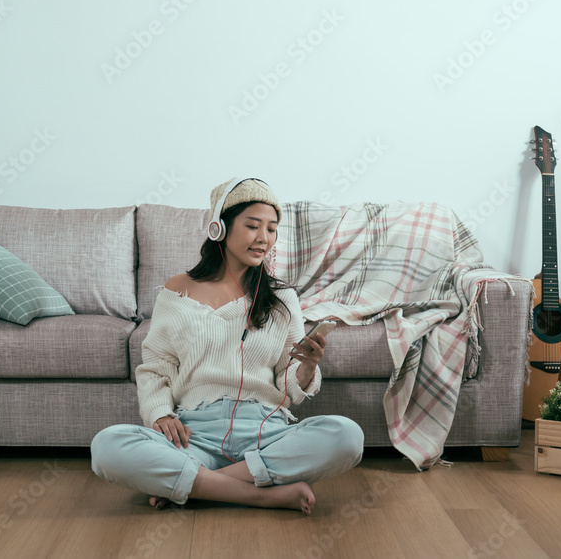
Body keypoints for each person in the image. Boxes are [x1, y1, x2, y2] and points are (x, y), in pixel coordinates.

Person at [91, 178, 364, 515]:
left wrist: (307, 368)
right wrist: (160, 411)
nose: (264, 238)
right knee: (108, 445)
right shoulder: (177, 291)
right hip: (194, 435)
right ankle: (264, 495)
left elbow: (288, 383)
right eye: (252, 226)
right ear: (219, 228)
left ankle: (196, 486)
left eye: (272, 229)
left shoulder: (282, 299)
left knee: (346, 435)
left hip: (267, 433)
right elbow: (156, 364)